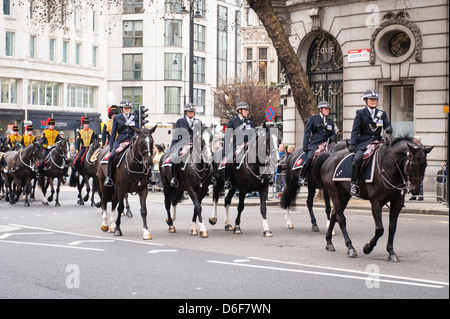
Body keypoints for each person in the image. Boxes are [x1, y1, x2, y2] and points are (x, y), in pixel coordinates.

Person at [349, 89, 392, 196]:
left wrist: (389, 128)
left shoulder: (382, 113)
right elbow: (355, 130)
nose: (373, 101)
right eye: (371, 99)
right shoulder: (360, 113)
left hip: (378, 141)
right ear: (365, 100)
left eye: (375, 99)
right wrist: (352, 143)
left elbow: (386, 124)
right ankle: (353, 184)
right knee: (358, 158)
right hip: (363, 142)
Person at [299, 101, 337, 186]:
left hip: (326, 145)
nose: (328, 110)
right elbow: (307, 133)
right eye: (326, 109)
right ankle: (303, 177)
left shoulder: (330, 121)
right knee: (309, 158)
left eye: (328, 109)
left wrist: (332, 138)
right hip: (314, 145)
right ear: (320, 109)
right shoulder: (313, 119)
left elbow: (334, 134)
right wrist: (306, 146)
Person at [104, 99, 139, 187]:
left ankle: (146, 177)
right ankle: (109, 177)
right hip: (120, 141)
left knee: (142, 155)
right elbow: (113, 133)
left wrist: (135, 135)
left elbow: (138, 129)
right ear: (122, 109)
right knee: (112, 156)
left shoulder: (134, 117)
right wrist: (111, 145)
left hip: (132, 140)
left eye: (128, 108)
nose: (127, 109)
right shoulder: (117, 118)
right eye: (125, 108)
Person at [169, 103, 202, 188]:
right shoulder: (180, 121)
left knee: (207, 156)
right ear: (186, 112)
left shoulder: (198, 122)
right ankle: (174, 178)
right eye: (189, 111)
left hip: (195, 144)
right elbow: (176, 135)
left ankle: (210, 177)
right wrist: (173, 147)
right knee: (176, 158)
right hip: (183, 144)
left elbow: (200, 135)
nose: (191, 113)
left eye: (192, 111)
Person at [223, 102, 254, 189]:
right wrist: (225, 150)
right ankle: (227, 180)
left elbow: (253, 134)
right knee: (230, 159)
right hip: (236, 146)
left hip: (248, 146)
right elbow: (227, 136)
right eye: (245, 110)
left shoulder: (249, 122)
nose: (247, 112)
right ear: (239, 111)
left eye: (248, 110)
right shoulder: (233, 121)